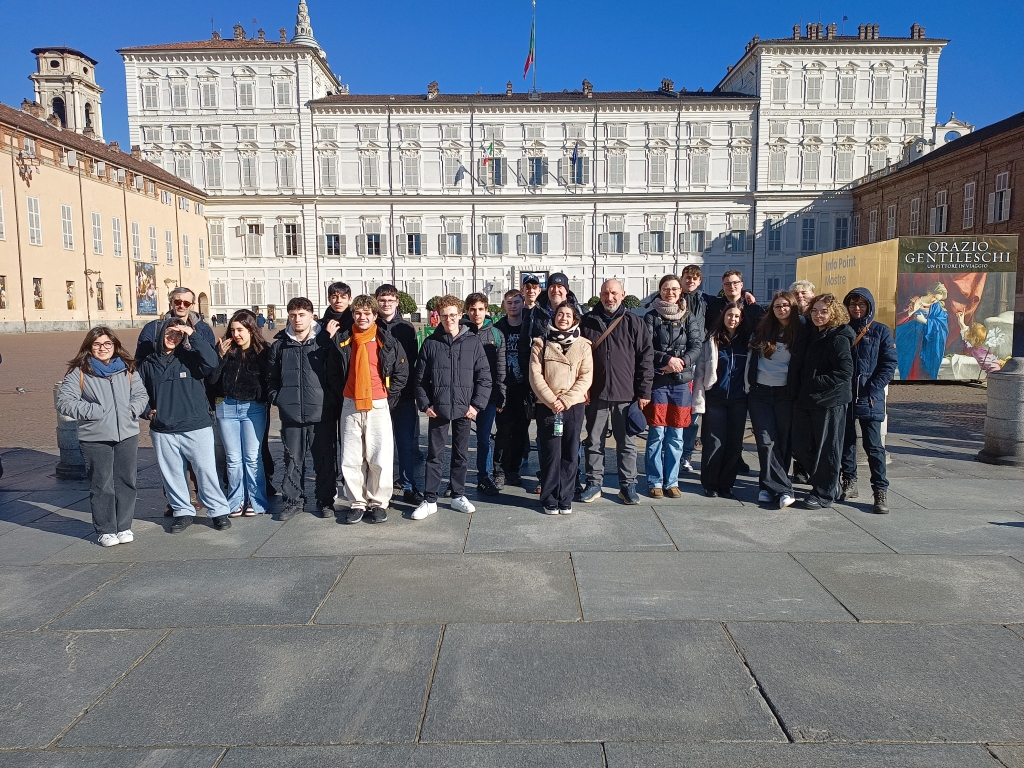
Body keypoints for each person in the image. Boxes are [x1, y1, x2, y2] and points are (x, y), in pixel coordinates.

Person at [138, 317, 233, 532]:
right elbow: (138, 392)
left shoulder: (191, 358)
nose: (172, 337)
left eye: (177, 334)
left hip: (196, 425)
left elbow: (212, 361)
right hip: (164, 429)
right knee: (172, 473)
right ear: (160, 335)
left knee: (205, 470)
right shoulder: (148, 364)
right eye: (168, 333)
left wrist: (193, 334)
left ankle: (218, 510)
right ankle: (182, 511)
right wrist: (146, 412)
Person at [57, 327, 149, 546]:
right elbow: (65, 402)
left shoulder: (127, 369)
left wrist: (132, 410)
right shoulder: (79, 372)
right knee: (101, 484)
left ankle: (124, 526)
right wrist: (94, 411)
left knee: (126, 481)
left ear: (115, 346)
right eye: (97, 344)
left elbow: (140, 394)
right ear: (89, 347)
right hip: (95, 436)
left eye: (107, 344)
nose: (103, 348)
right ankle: (106, 529)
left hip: (127, 433)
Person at [412, 295, 492, 520]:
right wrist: (426, 404)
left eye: (453, 315)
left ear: (460, 315)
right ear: (439, 316)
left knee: (461, 454)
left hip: (464, 409)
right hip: (438, 409)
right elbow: (420, 380)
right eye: (445, 316)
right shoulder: (431, 343)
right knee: (434, 455)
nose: (449, 319)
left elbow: (484, 377)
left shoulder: (473, 342)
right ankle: (430, 499)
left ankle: (458, 495)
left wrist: (476, 405)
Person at [331, 295, 409, 524]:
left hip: (377, 402)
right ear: (353, 315)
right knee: (351, 456)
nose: (362, 317)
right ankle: (357, 501)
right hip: (351, 402)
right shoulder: (343, 339)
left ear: (375, 316)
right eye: (358, 313)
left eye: (367, 313)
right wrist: (345, 392)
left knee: (380, 455)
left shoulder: (388, 341)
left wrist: (386, 395)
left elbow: (401, 373)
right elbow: (333, 373)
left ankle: (378, 502)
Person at [579, 279, 654, 505]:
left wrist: (644, 391)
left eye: (613, 293)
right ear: (599, 295)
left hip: (626, 393)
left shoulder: (634, 322)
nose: (609, 298)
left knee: (627, 443)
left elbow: (646, 358)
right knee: (593, 441)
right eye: (605, 293)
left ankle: (627, 486)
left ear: (623, 295)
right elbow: (577, 359)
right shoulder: (587, 322)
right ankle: (594, 484)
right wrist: (583, 389)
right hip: (595, 393)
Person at [267, 297, 341, 521]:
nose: (297, 319)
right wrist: (278, 398)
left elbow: (335, 375)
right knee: (292, 460)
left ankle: (325, 500)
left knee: (325, 460)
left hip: (321, 412)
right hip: (291, 413)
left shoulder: (323, 342)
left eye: (301, 315)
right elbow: (271, 377)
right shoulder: (280, 345)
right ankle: (293, 502)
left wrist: (330, 401)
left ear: (311, 316)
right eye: (293, 315)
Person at [792, 294, 855, 509]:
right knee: (799, 445)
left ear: (834, 312)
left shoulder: (839, 337)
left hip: (830, 400)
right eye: (815, 311)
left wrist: (814, 381)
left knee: (827, 449)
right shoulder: (813, 333)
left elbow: (845, 372)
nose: (819, 315)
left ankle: (824, 493)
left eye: (824, 311)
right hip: (808, 398)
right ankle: (828, 484)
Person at [530, 303, 593, 514]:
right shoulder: (541, 343)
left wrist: (566, 400)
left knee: (570, 452)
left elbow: (586, 377)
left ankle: (565, 498)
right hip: (548, 406)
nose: (563, 318)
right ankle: (549, 497)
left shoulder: (583, 345)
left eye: (568, 315)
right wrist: (552, 400)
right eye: (560, 314)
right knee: (550, 453)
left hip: (572, 407)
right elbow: (535, 376)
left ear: (575, 319)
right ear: (554, 317)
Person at [643, 275, 701, 498]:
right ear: (660, 290)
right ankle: (655, 481)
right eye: (666, 289)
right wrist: (666, 361)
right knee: (656, 434)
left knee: (676, 435)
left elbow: (697, 346)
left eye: (675, 289)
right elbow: (646, 347)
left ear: (680, 292)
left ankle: (672, 481)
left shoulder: (689, 317)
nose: (671, 293)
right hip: (659, 382)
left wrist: (682, 362)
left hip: (680, 383)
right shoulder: (651, 317)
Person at [841, 288, 898, 514]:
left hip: (869, 397)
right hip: (845, 396)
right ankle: (849, 480)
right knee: (846, 442)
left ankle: (880, 490)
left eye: (861, 304)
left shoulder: (880, 330)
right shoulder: (843, 330)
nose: (856, 308)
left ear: (869, 306)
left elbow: (889, 363)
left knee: (874, 446)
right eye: (853, 304)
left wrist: (873, 387)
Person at [747, 291, 805, 509]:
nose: (781, 309)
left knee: (782, 442)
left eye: (785, 306)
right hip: (760, 393)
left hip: (785, 393)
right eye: (777, 306)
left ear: (792, 307)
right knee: (765, 440)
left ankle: (766, 486)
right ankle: (784, 489)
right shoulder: (763, 329)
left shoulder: (800, 332)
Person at [209, 310, 270, 517]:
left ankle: (256, 500)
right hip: (226, 407)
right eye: (233, 330)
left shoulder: (263, 352)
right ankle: (235, 500)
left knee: (252, 457)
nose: (236, 335)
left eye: (241, 330)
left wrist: (262, 397)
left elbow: (268, 379)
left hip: (253, 408)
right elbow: (212, 381)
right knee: (233, 458)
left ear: (251, 330)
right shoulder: (226, 351)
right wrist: (219, 357)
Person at [693, 303, 749, 498]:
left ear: (741, 319)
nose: (732, 319)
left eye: (736, 316)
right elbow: (701, 370)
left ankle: (727, 484)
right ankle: (710, 483)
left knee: (734, 443)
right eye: (729, 315)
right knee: (713, 441)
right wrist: (699, 396)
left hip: (738, 399)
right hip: (716, 397)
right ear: (723, 316)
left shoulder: (747, 341)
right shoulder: (712, 340)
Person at [375, 284, 424, 504]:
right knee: (378, 444)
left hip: (402, 393)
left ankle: (408, 484)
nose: (386, 304)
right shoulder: (370, 325)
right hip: (376, 393)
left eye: (390, 300)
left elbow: (411, 361)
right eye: (382, 300)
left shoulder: (406, 328)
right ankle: (379, 485)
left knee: (405, 443)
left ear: (397, 302)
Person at [463, 292, 506, 495]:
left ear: (487, 310)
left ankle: (484, 476)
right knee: (461, 440)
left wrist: (501, 394)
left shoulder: (496, 335)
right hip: (463, 394)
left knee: (484, 438)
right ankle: (457, 479)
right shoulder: (461, 331)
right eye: (472, 309)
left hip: (488, 395)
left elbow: (501, 368)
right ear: (467, 311)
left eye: (480, 309)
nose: (476, 313)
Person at [493, 289, 531, 486]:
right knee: (502, 431)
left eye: (516, 302)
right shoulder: (498, 328)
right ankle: (499, 470)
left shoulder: (529, 326)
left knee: (520, 431)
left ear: (523, 303)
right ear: (504, 305)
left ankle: (514, 470)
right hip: (504, 387)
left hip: (523, 387)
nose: (513, 306)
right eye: (509, 303)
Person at [135, 286, 217, 362]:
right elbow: (141, 361)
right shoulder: (152, 328)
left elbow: (210, 359)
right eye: (177, 302)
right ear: (171, 303)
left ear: (192, 305)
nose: (181, 306)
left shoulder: (204, 329)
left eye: (186, 303)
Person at [678, 265, 707, 473]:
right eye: (688, 277)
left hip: (698, 359)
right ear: (682, 279)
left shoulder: (707, 301)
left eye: (695, 278)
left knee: (694, 412)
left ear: (700, 281)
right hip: (677, 359)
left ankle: (686, 454)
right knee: (676, 409)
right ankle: (674, 452)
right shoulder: (671, 296)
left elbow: (731, 304)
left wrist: (746, 298)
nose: (691, 281)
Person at [896, 282, 949, 380]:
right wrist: (911, 312)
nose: (935, 300)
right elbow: (898, 321)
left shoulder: (936, 307)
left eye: (937, 299)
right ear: (929, 292)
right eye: (934, 297)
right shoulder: (913, 301)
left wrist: (925, 321)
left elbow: (942, 326)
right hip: (910, 342)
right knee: (911, 370)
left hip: (926, 345)